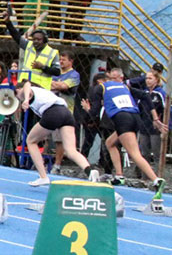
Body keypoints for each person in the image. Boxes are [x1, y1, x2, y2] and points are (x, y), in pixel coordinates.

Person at [83, 68, 166, 197]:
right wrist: (155, 118)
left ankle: (156, 180)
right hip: (135, 117)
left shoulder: (100, 88)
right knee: (110, 143)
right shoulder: (124, 87)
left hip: (122, 119)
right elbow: (145, 96)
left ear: (101, 81)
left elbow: (94, 113)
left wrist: (87, 110)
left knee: (135, 154)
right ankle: (119, 176)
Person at [16, 80, 98, 186]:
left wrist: (26, 99)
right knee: (70, 150)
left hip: (52, 113)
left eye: (16, 94)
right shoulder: (43, 93)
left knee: (30, 141)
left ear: (19, 90)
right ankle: (90, 171)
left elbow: (27, 84)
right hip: (66, 113)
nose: (18, 98)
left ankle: (43, 176)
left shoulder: (27, 91)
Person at [50, 51, 80, 172]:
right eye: (60, 60)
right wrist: (56, 84)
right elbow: (47, 84)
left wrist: (55, 84)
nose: (61, 62)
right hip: (51, 108)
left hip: (65, 111)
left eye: (64, 59)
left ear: (71, 61)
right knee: (47, 137)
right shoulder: (56, 72)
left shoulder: (74, 74)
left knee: (60, 140)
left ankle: (57, 165)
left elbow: (64, 87)